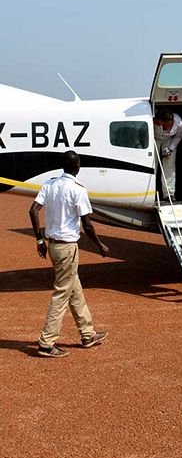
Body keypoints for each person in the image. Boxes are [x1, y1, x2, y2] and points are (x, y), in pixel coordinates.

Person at [29, 150, 110, 358]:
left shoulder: (49, 184)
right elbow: (88, 225)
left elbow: (33, 210)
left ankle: (87, 334)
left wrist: (39, 239)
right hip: (67, 248)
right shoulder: (78, 190)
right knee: (62, 293)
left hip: (53, 246)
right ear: (78, 167)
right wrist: (100, 245)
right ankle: (46, 343)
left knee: (74, 288)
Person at [153, 109, 182, 199]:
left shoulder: (179, 123)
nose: (166, 126)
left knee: (169, 165)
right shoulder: (153, 119)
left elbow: (178, 136)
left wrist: (171, 149)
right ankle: (149, 192)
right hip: (154, 138)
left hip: (169, 140)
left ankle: (169, 194)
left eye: (167, 124)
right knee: (152, 164)